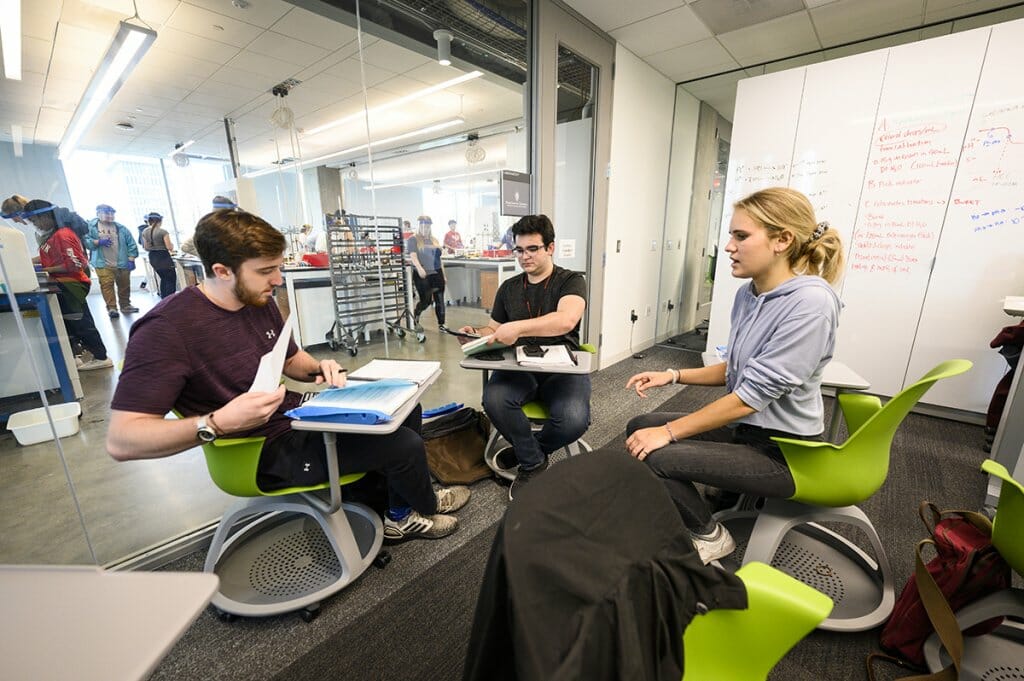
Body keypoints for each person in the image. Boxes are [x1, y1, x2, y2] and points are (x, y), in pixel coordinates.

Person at [106, 208, 470, 542]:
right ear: (221, 271)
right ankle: (418, 510)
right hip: (258, 448)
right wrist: (216, 423)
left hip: (296, 416)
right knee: (401, 446)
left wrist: (318, 366)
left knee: (408, 406)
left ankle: (398, 509)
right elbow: (123, 440)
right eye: (266, 271)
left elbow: (291, 359)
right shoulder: (165, 330)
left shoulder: (256, 302)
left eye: (278, 267)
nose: (278, 280)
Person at [622, 187, 845, 564]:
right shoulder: (749, 295)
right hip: (750, 432)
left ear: (782, 240)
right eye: (731, 236)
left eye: (741, 236)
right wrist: (673, 375)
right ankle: (708, 505)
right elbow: (737, 369)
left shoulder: (812, 304)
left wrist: (670, 432)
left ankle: (711, 536)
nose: (728, 246)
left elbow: (749, 398)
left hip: (786, 451)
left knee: (656, 454)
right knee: (640, 425)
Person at [457, 214, 590, 500]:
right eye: (519, 250)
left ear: (550, 248)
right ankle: (533, 463)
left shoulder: (571, 281)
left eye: (533, 249)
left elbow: (566, 320)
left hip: (561, 367)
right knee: (494, 399)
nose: (524, 256)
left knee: (574, 419)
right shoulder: (509, 288)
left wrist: (517, 327)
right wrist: (475, 334)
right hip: (518, 366)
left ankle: (526, 451)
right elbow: (494, 329)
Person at [23, 200, 112, 370]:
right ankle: (80, 356)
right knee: (71, 322)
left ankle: (101, 357)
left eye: (35, 221)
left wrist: (46, 268)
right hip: (64, 284)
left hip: (71, 285)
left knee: (80, 322)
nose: (35, 225)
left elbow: (74, 264)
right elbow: (51, 257)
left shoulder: (63, 235)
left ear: (44, 217)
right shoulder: (54, 236)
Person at [86, 204, 139, 318]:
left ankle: (125, 305)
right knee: (107, 285)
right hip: (102, 263)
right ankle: (112, 308)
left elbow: (131, 244)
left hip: (122, 262)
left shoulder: (121, 228)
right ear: (98, 213)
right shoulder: (91, 227)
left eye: (112, 213)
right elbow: (86, 241)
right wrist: (98, 242)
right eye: (106, 213)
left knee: (124, 284)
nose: (110, 216)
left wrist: (131, 259)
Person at [3, 194, 90, 251]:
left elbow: (65, 254)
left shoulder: (59, 226)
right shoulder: (40, 228)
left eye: (13, 217)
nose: (14, 221)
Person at [407, 215, 447, 329]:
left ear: (430, 227)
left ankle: (442, 324)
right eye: (423, 226)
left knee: (440, 299)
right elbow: (413, 256)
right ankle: (417, 312)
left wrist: (443, 274)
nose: (425, 228)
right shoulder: (413, 239)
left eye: (427, 226)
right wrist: (419, 268)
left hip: (436, 272)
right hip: (422, 273)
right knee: (426, 301)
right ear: (419, 226)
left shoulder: (434, 240)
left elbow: (439, 259)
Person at [140, 212, 177, 299]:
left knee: (163, 279)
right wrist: (172, 246)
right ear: (159, 221)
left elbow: (145, 247)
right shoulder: (163, 232)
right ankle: (171, 301)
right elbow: (169, 247)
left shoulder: (144, 232)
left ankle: (164, 300)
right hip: (163, 257)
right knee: (171, 279)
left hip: (153, 257)